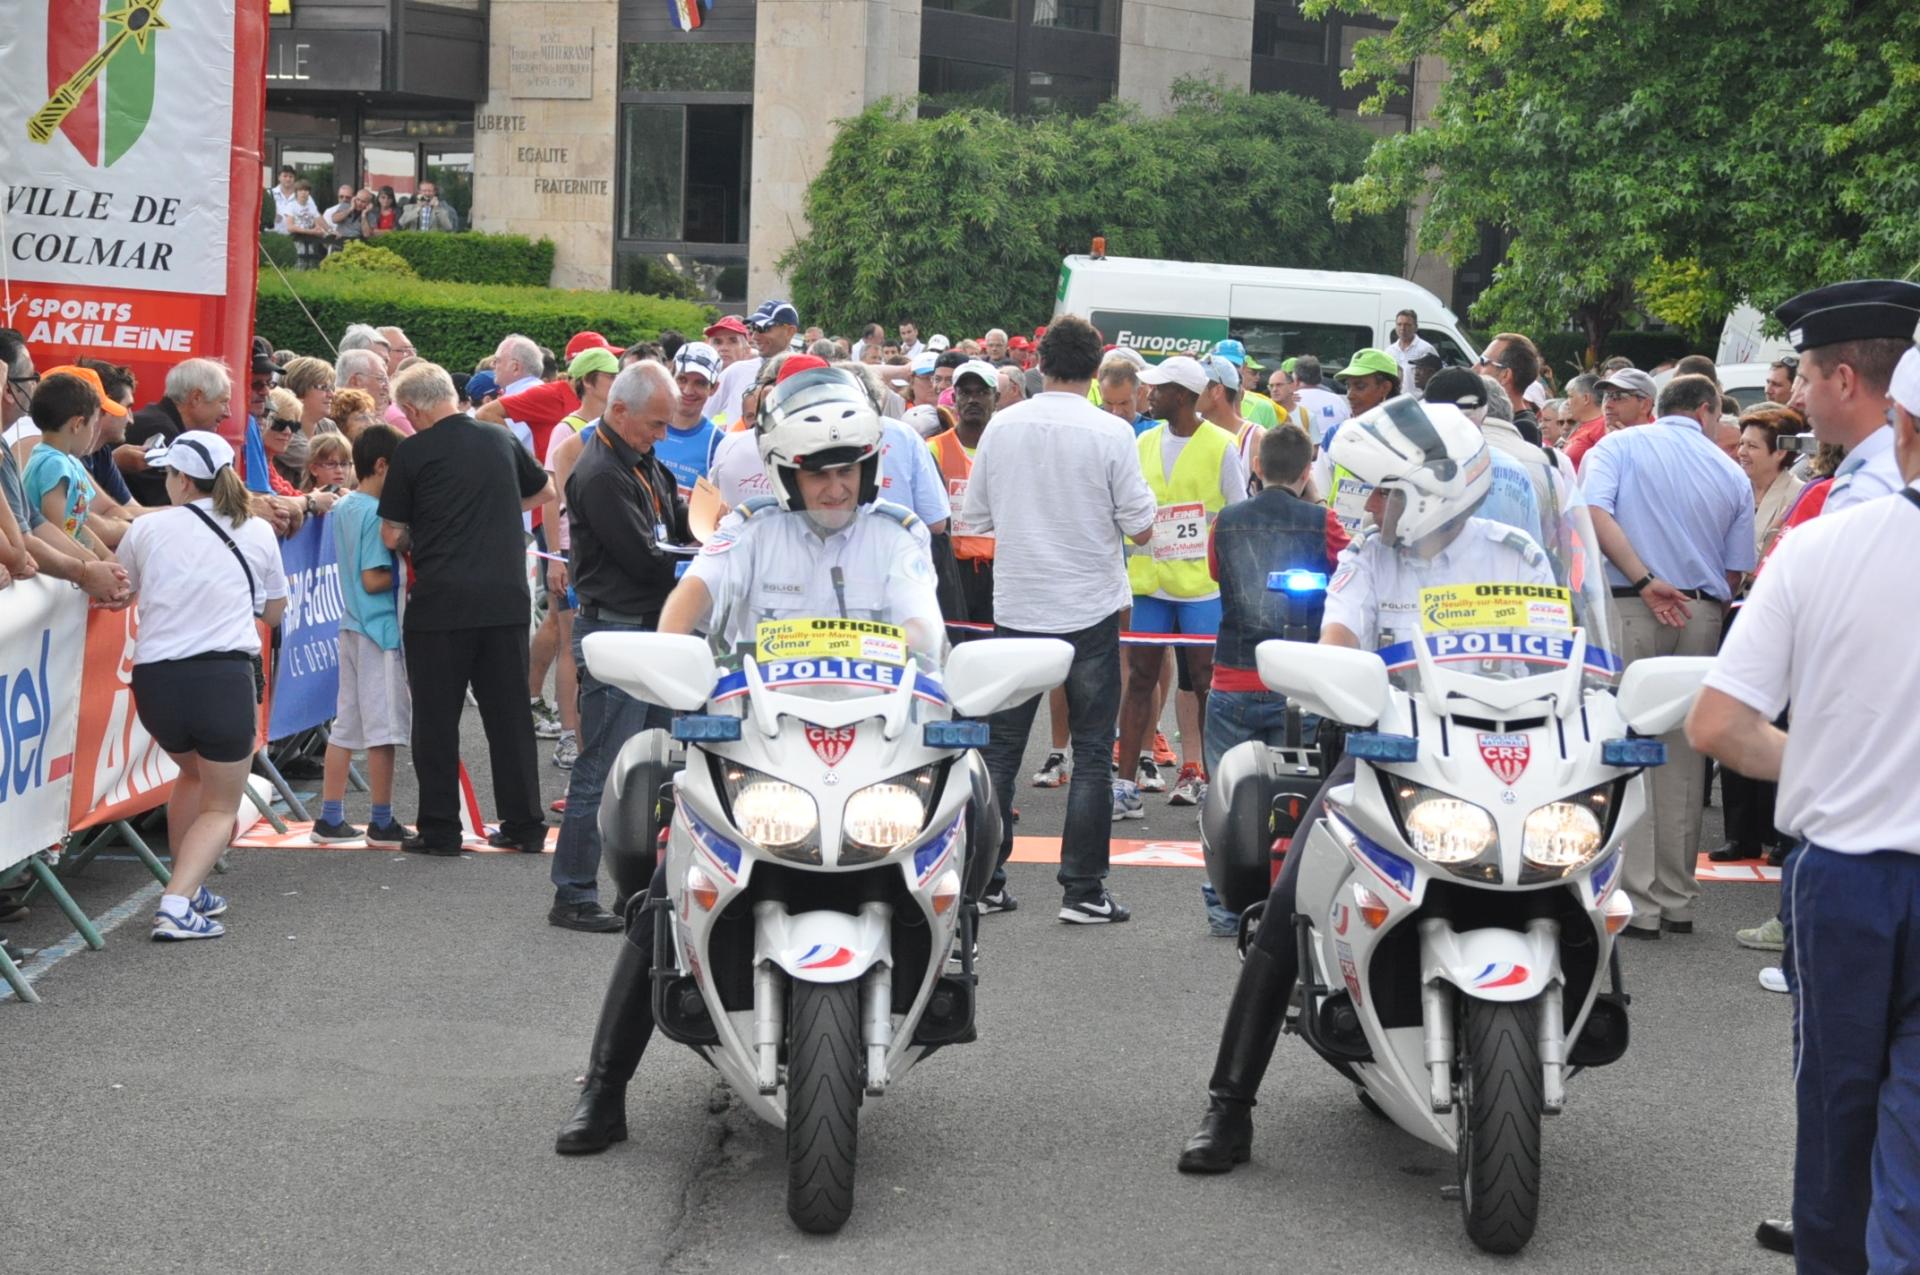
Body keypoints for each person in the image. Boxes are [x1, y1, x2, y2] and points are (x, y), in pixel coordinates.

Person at [551, 359, 941, 1156]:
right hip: (755, 747)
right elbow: (692, 596)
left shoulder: (897, 536)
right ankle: (603, 1087)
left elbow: (920, 620)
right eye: (817, 471)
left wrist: (932, 661)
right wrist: (667, 658)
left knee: (969, 817)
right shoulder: (749, 531)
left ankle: (944, 960)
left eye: (849, 467)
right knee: (658, 898)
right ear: (785, 472)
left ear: (871, 465)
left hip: (873, 748)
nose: (835, 485)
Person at [1178, 396, 1554, 1174]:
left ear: (1428, 493)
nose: (1369, 506)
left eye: (1383, 491)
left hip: (1507, 761)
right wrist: (1338, 673)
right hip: (1388, 755)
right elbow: (1338, 640)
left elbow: (1559, 657)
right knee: (1289, 905)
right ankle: (1229, 1105)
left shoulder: (1515, 554)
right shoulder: (1367, 559)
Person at [1683, 335, 1920, 1271]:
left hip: (1847, 877)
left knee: (1835, 1119)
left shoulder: (1821, 544)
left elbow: (1718, 723)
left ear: (1902, 425)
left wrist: (1831, 763)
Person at [962, 316, 1157, 924]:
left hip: (1018, 604)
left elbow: (975, 517)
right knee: (1094, 752)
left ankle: (984, 882)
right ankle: (1083, 890)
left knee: (1000, 752)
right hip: (1089, 606)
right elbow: (1142, 526)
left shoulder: (1002, 426)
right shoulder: (1112, 432)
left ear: (1039, 365)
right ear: (1096, 371)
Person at [1582, 373, 1755, 938]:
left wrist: (1644, 577)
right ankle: (1676, 896)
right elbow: (1736, 568)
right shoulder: (1730, 471)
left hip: (1632, 601)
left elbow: (1592, 515)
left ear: (1660, 405)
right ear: (1706, 411)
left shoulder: (1618, 447)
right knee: (1683, 756)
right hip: (1700, 608)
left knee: (1629, 746)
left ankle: (1638, 899)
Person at [116, 431, 289, 939]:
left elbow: (121, 589)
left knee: (191, 775)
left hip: (156, 681)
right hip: (221, 679)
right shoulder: (256, 530)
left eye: (167, 473)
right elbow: (274, 612)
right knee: (220, 804)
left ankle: (187, 887)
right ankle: (175, 904)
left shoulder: (147, 528)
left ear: (183, 480)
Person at [378, 362, 555, 856]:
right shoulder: (500, 438)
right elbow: (546, 489)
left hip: (441, 601)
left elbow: (391, 533)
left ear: (412, 409)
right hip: (505, 597)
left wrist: (427, 532)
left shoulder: (412, 451)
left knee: (436, 720)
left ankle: (440, 830)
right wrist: (498, 511)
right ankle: (525, 824)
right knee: (510, 717)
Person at [1198, 423, 1348, 935]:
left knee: (1227, 793)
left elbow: (1216, 572)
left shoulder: (1226, 521)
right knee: (1304, 795)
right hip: (1300, 678)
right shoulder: (1323, 521)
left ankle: (1224, 909)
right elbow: (1349, 569)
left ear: (1256, 466)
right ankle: (1294, 904)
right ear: (1308, 470)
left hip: (1234, 673)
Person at [311, 425, 411, 847]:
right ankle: (381, 821)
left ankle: (330, 816)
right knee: (383, 731)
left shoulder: (347, 505)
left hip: (352, 624)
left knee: (346, 725)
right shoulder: (374, 513)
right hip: (379, 629)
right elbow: (373, 579)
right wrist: (410, 572)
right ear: (383, 466)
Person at [1775, 279, 1920, 513]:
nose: (1797, 400)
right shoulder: (1890, 473)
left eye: (1806, 381)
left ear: (1844, 382)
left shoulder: (1864, 494)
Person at [929, 358, 998, 624]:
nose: (973, 400)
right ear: (954, 398)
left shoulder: (1009, 445)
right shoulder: (933, 449)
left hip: (998, 569)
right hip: (952, 568)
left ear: (996, 397)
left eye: (981, 392)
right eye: (965, 392)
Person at [125, 358, 232, 507]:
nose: (228, 413)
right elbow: (179, 504)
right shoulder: (159, 430)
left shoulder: (159, 423)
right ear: (196, 398)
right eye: (223, 402)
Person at [653, 342, 724, 497]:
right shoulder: (645, 424)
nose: (688, 390)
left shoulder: (718, 443)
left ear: (713, 388)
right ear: (670, 377)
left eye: (700, 383)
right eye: (682, 379)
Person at [1387, 308, 1438, 386]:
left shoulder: (1426, 349)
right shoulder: (1389, 351)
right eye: (1399, 324)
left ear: (1416, 327)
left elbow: (1436, 378)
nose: (1402, 328)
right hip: (1397, 394)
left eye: (1407, 325)